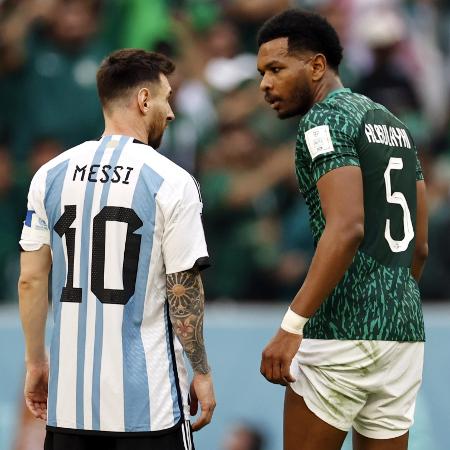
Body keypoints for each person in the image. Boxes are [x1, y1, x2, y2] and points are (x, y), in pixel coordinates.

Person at [18, 48, 216, 450]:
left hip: (70, 409)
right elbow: (183, 290)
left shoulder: (50, 175)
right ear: (144, 100)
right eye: (167, 98)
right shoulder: (172, 181)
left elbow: (30, 279)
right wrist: (202, 370)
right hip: (151, 409)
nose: (172, 112)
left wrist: (37, 362)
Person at [256, 9, 427, 450]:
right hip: (403, 334)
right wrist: (389, 304)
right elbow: (419, 247)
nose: (264, 85)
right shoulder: (396, 126)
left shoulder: (324, 120)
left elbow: (347, 227)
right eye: (261, 73)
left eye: (276, 69)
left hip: (339, 333)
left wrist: (292, 325)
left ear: (316, 66)